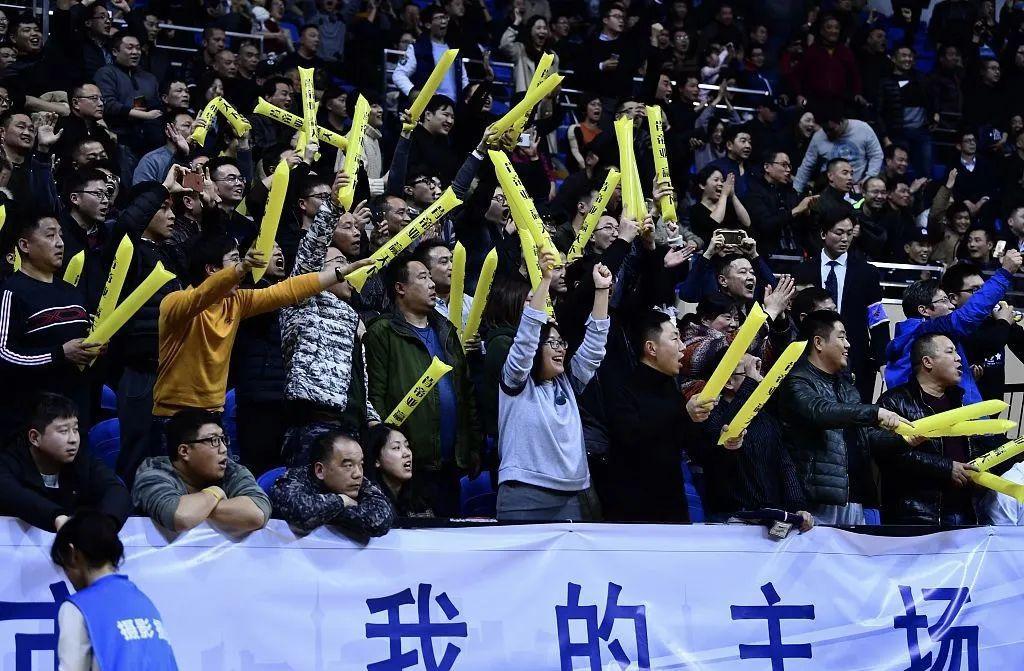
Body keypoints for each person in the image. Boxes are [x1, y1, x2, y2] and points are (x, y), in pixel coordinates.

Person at [152, 237, 373, 426]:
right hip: (174, 415)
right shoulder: (175, 303)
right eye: (234, 260)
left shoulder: (236, 302)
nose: (241, 267)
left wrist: (337, 274)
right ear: (212, 270)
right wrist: (240, 270)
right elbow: (201, 296)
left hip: (213, 414)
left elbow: (287, 290)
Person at [364, 255, 483, 516]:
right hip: (409, 466)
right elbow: (375, 396)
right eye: (422, 277)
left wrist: (473, 446)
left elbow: (466, 392)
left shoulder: (446, 330)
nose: (431, 284)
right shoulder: (382, 332)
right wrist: (384, 450)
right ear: (400, 288)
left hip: (450, 465)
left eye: (430, 277)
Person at [496, 253, 610, 521]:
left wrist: (602, 290)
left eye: (562, 343)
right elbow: (526, 340)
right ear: (537, 348)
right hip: (524, 494)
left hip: (574, 494)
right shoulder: (515, 382)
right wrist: (545, 280)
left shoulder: (568, 382)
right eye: (552, 343)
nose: (560, 349)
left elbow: (594, 347)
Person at [777, 311, 911, 525]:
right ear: (818, 342)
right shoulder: (796, 381)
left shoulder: (848, 389)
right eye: (841, 337)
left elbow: (866, 439)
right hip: (816, 502)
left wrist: (904, 440)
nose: (848, 344)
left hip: (857, 498)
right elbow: (820, 411)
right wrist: (875, 412)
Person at [606, 309, 724, 522]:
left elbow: (691, 445)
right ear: (651, 348)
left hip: (673, 502)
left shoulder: (671, 386)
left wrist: (726, 440)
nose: (683, 347)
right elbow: (633, 441)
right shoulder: (622, 390)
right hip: (634, 510)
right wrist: (683, 413)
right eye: (675, 338)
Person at [0, 213, 99, 437]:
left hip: (77, 416)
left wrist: (96, 348)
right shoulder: (11, 292)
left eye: (61, 235)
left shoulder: (72, 292)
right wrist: (59, 354)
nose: (60, 243)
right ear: (25, 245)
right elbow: (3, 353)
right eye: (50, 235)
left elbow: (82, 345)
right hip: (31, 420)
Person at [870, 334, 984, 525]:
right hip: (917, 516)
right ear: (927, 362)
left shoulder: (960, 401)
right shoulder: (894, 401)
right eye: (950, 352)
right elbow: (887, 453)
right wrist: (946, 468)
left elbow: (975, 445)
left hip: (966, 513)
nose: (958, 358)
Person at [885, 250, 1023, 404]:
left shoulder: (924, 334)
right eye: (944, 300)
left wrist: (962, 377)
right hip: (929, 413)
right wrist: (1004, 273)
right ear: (924, 310)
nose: (951, 305)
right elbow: (968, 316)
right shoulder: (925, 331)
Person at [698, 351, 812, 529]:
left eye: (758, 369)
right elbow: (722, 439)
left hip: (771, 517)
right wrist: (750, 384)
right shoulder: (709, 415)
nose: (759, 378)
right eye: (750, 371)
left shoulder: (766, 417)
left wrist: (798, 507)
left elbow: (784, 464)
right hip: (730, 520)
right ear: (728, 382)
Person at [52, 511, 178, 671]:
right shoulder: (143, 601)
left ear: (73, 554)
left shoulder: (77, 607)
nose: (67, 575)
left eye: (64, 566)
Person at [793, 210, 889, 402]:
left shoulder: (867, 272)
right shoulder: (804, 270)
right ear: (823, 233)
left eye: (849, 233)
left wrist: (883, 361)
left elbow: (877, 320)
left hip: (856, 358)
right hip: (812, 357)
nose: (845, 238)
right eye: (839, 232)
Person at [0, 393, 131, 532]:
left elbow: (116, 491)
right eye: (63, 431)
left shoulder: (82, 461)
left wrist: (105, 524)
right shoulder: (9, 463)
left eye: (75, 429)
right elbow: (14, 495)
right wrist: (56, 517)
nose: (73, 439)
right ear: (35, 437)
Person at [132, 409, 271, 533]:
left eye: (223, 439)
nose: (223, 449)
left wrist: (200, 509)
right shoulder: (153, 472)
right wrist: (215, 492)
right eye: (214, 440)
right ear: (184, 451)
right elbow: (180, 517)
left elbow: (257, 514)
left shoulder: (230, 469)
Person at [270, 428, 395, 536]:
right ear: (320, 470)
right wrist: (343, 501)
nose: (358, 474)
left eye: (360, 464)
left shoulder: (359, 481)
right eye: (348, 465)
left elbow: (379, 520)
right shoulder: (294, 479)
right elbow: (301, 514)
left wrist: (326, 512)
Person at [942, 263, 1024, 402]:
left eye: (984, 290)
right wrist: (1004, 322)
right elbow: (989, 343)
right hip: (962, 408)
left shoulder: (996, 321)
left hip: (994, 408)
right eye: (975, 290)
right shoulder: (951, 326)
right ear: (953, 298)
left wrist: (1011, 323)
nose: (985, 297)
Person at [793, 100, 883, 194]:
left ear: (841, 121)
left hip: (859, 187)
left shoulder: (863, 129)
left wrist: (869, 178)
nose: (828, 133)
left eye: (831, 129)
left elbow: (876, 155)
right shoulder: (818, 137)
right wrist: (796, 191)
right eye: (825, 130)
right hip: (830, 190)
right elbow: (806, 167)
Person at [741, 150, 814, 255]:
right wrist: (797, 210)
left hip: (796, 253)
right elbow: (765, 225)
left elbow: (803, 229)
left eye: (789, 166)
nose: (788, 170)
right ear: (767, 167)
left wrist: (806, 213)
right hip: (766, 254)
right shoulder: (754, 192)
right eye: (784, 165)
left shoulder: (790, 192)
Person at [364, 423, 432, 516]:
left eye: (407, 446)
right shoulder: (370, 501)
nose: (407, 453)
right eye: (396, 448)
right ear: (377, 460)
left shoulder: (419, 495)